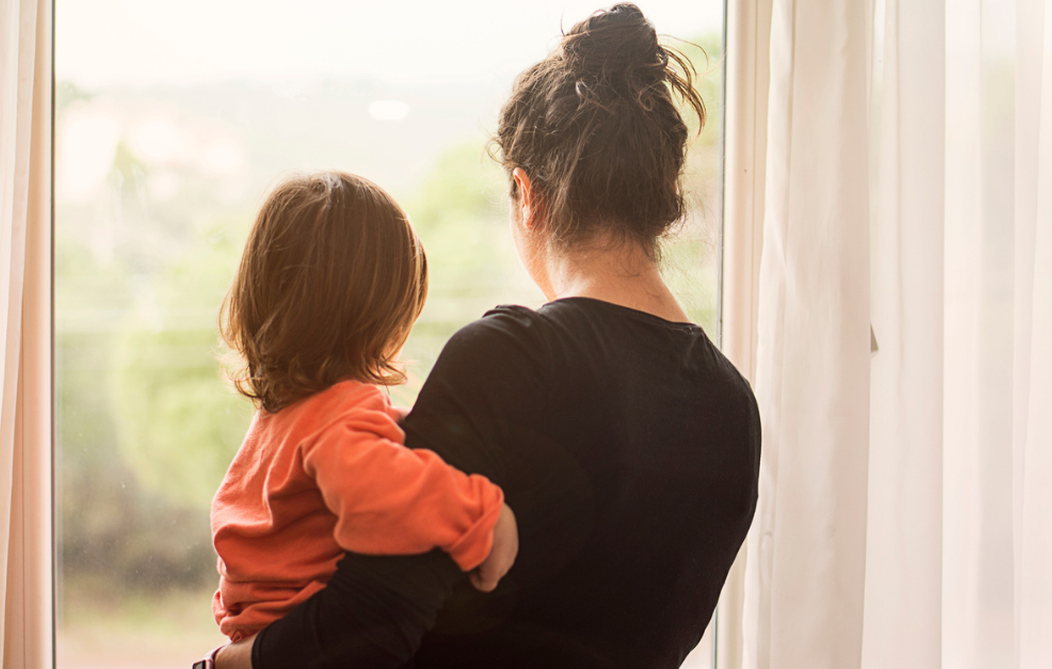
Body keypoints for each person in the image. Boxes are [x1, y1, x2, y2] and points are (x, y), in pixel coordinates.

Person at [211, 4, 760, 668]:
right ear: (660, 192)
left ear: (526, 193)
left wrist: (217, 663)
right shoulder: (732, 407)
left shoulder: (511, 358)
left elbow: (364, 631)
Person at [206, 172, 519, 647]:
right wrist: (482, 517)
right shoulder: (339, 417)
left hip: (258, 637)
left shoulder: (280, 418)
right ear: (381, 317)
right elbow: (386, 495)